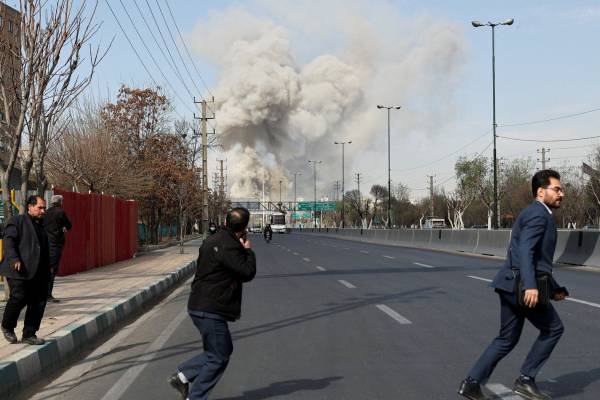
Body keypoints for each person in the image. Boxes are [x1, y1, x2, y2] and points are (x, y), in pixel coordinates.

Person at [458, 170, 568, 400]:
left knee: (506, 338)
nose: (562, 194)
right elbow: (525, 251)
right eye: (557, 189)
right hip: (522, 287)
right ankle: (526, 380)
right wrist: (530, 286)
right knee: (553, 329)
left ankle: (472, 383)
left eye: (561, 189)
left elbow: (536, 261)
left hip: (509, 284)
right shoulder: (540, 215)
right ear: (541, 192)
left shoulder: (532, 212)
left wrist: (554, 289)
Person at [169, 207, 256, 400]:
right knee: (219, 356)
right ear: (243, 229)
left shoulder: (212, 239)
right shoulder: (230, 247)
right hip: (211, 309)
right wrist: (247, 250)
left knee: (221, 350)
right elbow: (247, 272)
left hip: (199, 304)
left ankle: (183, 376)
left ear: (225, 222)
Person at [0, 195, 50, 345]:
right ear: (30, 207)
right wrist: (14, 258)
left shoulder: (42, 224)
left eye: (44, 208)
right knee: (19, 297)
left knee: (38, 301)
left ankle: (29, 333)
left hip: (39, 271)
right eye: (40, 207)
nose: (43, 211)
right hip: (19, 269)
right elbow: (9, 240)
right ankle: (7, 327)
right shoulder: (18, 221)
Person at [44, 194, 72, 303]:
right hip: (56, 243)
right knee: (52, 269)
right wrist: (63, 228)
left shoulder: (45, 212)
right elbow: (69, 225)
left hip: (45, 243)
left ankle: (43, 293)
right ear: (60, 202)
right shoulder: (60, 212)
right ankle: (47, 294)